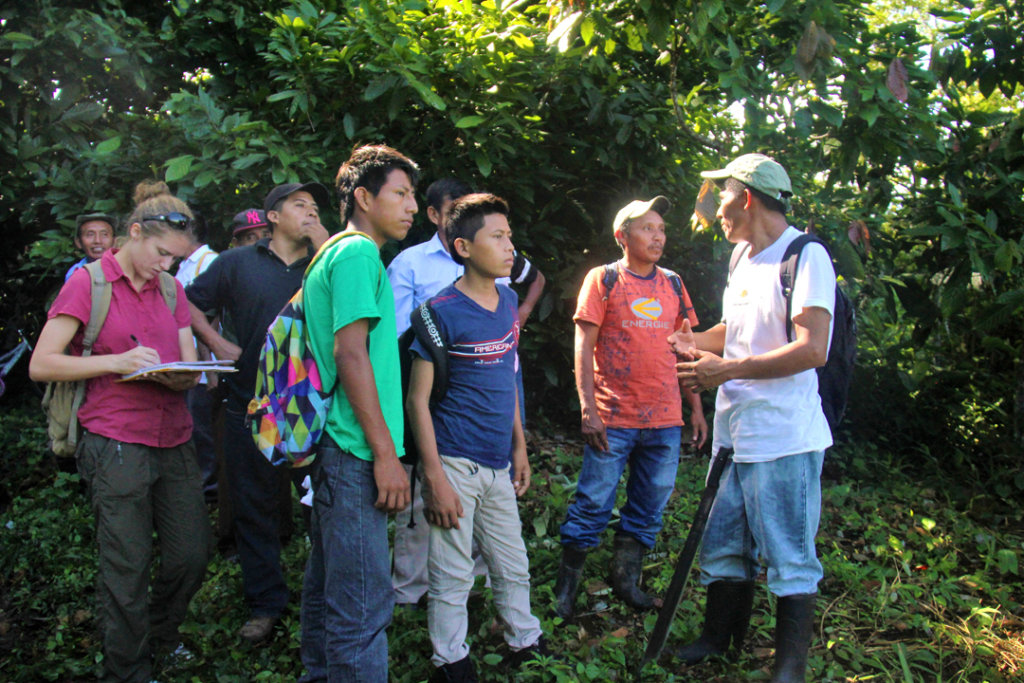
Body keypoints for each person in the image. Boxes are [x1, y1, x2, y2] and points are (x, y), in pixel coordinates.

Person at [29, 181, 210, 682]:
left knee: (191, 554)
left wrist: (186, 373)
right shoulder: (89, 283)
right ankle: (127, 670)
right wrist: (118, 362)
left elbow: (186, 360)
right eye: (161, 253)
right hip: (115, 442)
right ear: (133, 233)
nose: (166, 266)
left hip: (173, 435)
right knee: (126, 567)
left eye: (175, 258)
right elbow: (42, 364)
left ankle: (161, 635)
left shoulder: (171, 289)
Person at [668, 154, 834, 683]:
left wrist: (724, 370)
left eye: (721, 196)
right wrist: (694, 342)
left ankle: (789, 668)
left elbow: (813, 350)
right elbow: (735, 331)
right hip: (733, 433)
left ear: (747, 196)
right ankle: (719, 640)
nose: (713, 208)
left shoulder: (806, 257)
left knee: (788, 553)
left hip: (783, 436)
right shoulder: (742, 256)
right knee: (725, 544)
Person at [387, 177, 547, 607]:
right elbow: (402, 345)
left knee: (497, 549)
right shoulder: (415, 270)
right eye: (499, 237)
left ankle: (504, 624)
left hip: (493, 436)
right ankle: (412, 602)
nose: (509, 246)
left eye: (508, 236)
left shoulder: (506, 294)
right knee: (433, 526)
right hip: (447, 427)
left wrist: (520, 445)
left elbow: (507, 370)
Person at [185, 181, 330, 643]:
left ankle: (327, 598)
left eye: (315, 206)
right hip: (250, 404)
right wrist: (214, 342)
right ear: (271, 217)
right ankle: (266, 603)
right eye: (298, 205)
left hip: (315, 410)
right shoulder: (234, 264)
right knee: (253, 506)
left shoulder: (325, 265)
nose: (309, 212)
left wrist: (325, 243)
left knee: (324, 505)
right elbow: (186, 303)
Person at [554, 196, 707, 620]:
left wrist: (695, 407)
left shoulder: (673, 284)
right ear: (622, 236)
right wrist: (588, 408)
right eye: (647, 228)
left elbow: (687, 350)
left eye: (661, 229)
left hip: (664, 419)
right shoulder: (603, 280)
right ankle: (565, 592)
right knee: (593, 503)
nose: (657, 236)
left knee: (648, 508)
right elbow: (583, 349)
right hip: (613, 417)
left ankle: (626, 582)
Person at [299, 144, 417, 681]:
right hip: (354, 451)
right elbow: (350, 355)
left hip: (341, 449)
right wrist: (386, 455)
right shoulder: (356, 255)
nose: (412, 206)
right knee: (363, 609)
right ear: (364, 197)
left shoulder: (338, 253)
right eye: (401, 193)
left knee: (330, 593)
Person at [175, 217, 218, 502]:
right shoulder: (181, 266)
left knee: (204, 432)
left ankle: (210, 491)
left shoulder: (210, 261)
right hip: (186, 365)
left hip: (205, 368)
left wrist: (210, 367)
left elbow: (213, 317)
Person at [65, 212, 116, 281]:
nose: (98, 241)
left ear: (114, 241)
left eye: (104, 234)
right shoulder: (75, 273)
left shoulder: (124, 268)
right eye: (90, 235)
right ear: (79, 242)